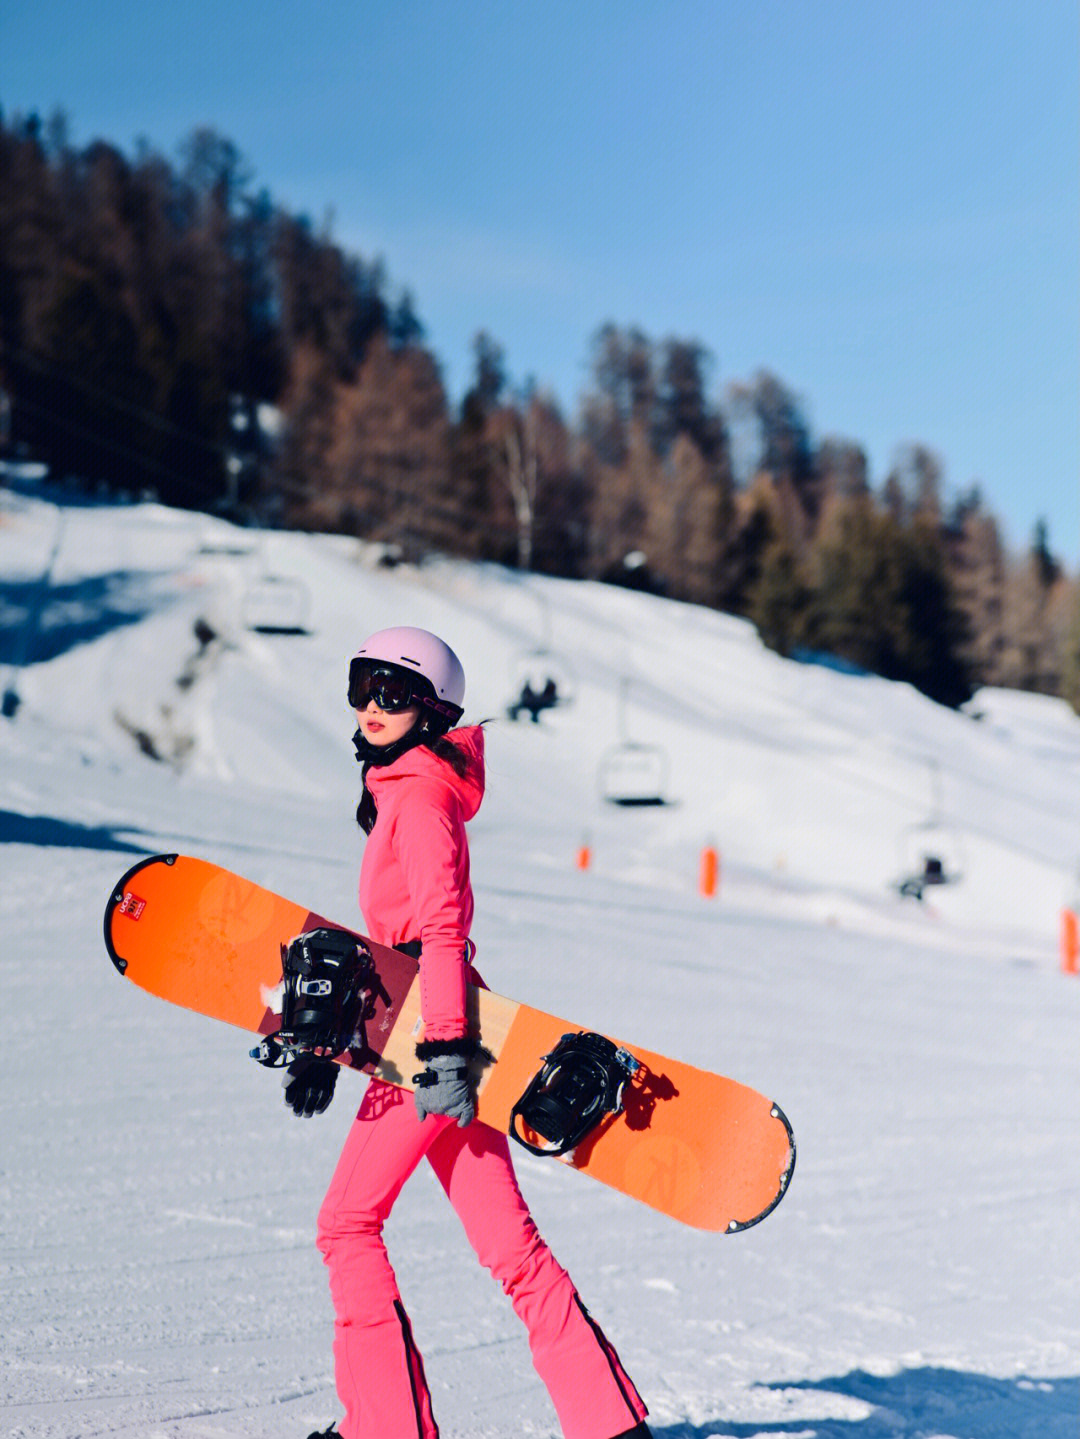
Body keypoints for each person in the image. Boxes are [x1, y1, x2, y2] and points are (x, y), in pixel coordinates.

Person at [287, 626, 652, 1439]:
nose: (373, 705)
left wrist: (446, 1051)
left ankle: (384, 1429)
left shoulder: (418, 799)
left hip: (434, 1033)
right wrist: (328, 1042)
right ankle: (610, 1426)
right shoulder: (408, 787)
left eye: (394, 689)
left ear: (433, 707)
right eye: (363, 684)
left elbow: (441, 931)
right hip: (443, 1022)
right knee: (511, 1248)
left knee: (347, 1224)